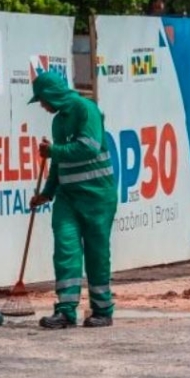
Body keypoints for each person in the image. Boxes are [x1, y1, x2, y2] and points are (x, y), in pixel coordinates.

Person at [28, 72, 118, 329]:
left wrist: (53, 150)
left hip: (97, 198)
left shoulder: (86, 109)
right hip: (68, 197)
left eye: (43, 100)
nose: (43, 106)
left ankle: (102, 309)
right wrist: (47, 192)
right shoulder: (58, 123)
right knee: (65, 249)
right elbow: (58, 162)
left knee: (97, 254)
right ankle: (66, 310)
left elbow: (89, 146)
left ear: (53, 94)